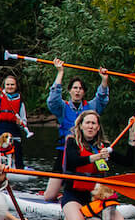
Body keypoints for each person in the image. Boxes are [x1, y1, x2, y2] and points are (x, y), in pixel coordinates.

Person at [42, 61, 110, 200]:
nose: (77, 90)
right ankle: (64, 197)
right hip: (65, 153)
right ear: (70, 91)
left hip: (87, 154)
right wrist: (60, 72)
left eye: (80, 88)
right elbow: (53, 99)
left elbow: (102, 98)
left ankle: (79, 197)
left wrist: (104, 80)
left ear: (84, 92)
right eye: (74, 88)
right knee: (49, 197)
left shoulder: (91, 107)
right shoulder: (62, 107)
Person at [60, 110, 135, 220]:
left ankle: (91, 219)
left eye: (94, 123)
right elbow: (74, 161)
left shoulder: (103, 147)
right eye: (87, 123)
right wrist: (98, 157)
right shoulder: (72, 142)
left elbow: (127, 162)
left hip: (96, 198)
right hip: (74, 195)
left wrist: (132, 138)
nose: (90, 126)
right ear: (81, 125)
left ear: (98, 127)